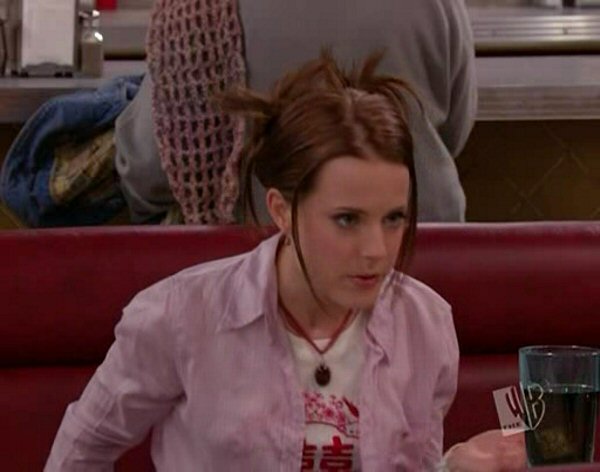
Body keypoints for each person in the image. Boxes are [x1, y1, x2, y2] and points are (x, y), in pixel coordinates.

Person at [45, 51, 455, 470]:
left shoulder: (426, 325)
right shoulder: (181, 316)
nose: (376, 250)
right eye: (347, 220)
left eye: (393, 219)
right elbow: (81, 450)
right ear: (281, 211)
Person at [116, 0, 476, 225]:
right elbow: (455, 132)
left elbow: (148, 170)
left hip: (262, 277)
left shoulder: (196, 12)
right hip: (422, 257)